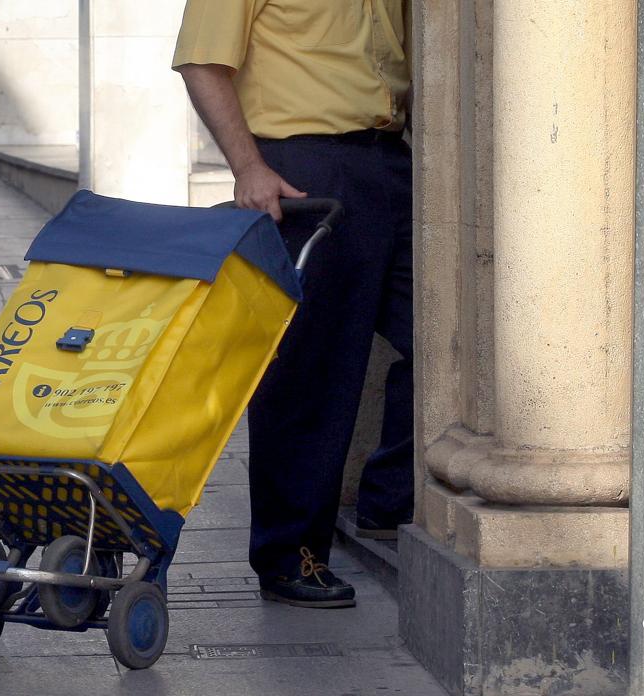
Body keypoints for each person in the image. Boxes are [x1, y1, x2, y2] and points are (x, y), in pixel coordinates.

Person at [173, 0, 413, 608]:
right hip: (301, 166)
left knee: (447, 341)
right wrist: (248, 167)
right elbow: (202, 62)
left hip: (389, 158)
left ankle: (391, 502)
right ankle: (290, 555)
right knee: (310, 369)